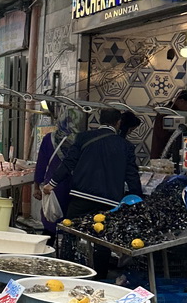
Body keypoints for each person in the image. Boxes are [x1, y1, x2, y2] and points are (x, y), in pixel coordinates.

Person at [44, 107, 143, 278]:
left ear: (100, 121)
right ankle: (100, 277)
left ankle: (68, 270)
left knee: (71, 233)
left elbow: (69, 163)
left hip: (80, 196)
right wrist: (138, 198)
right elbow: (131, 175)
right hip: (109, 201)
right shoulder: (125, 146)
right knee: (102, 239)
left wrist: (52, 183)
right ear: (118, 123)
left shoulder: (84, 137)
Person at [33, 107, 82, 236]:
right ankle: (65, 249)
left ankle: (47, 248)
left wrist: (36, 187)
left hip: (52, 186)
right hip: (74, 186)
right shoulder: (80, 140)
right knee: (70, 222)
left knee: (50, 219)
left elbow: (41, 165)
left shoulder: (49, 138)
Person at [150, 89, 187, 163]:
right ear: (181, 101)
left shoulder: (173, 112)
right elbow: (168, 136)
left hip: (164, 158)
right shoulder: (167, 113)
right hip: (163, 158)